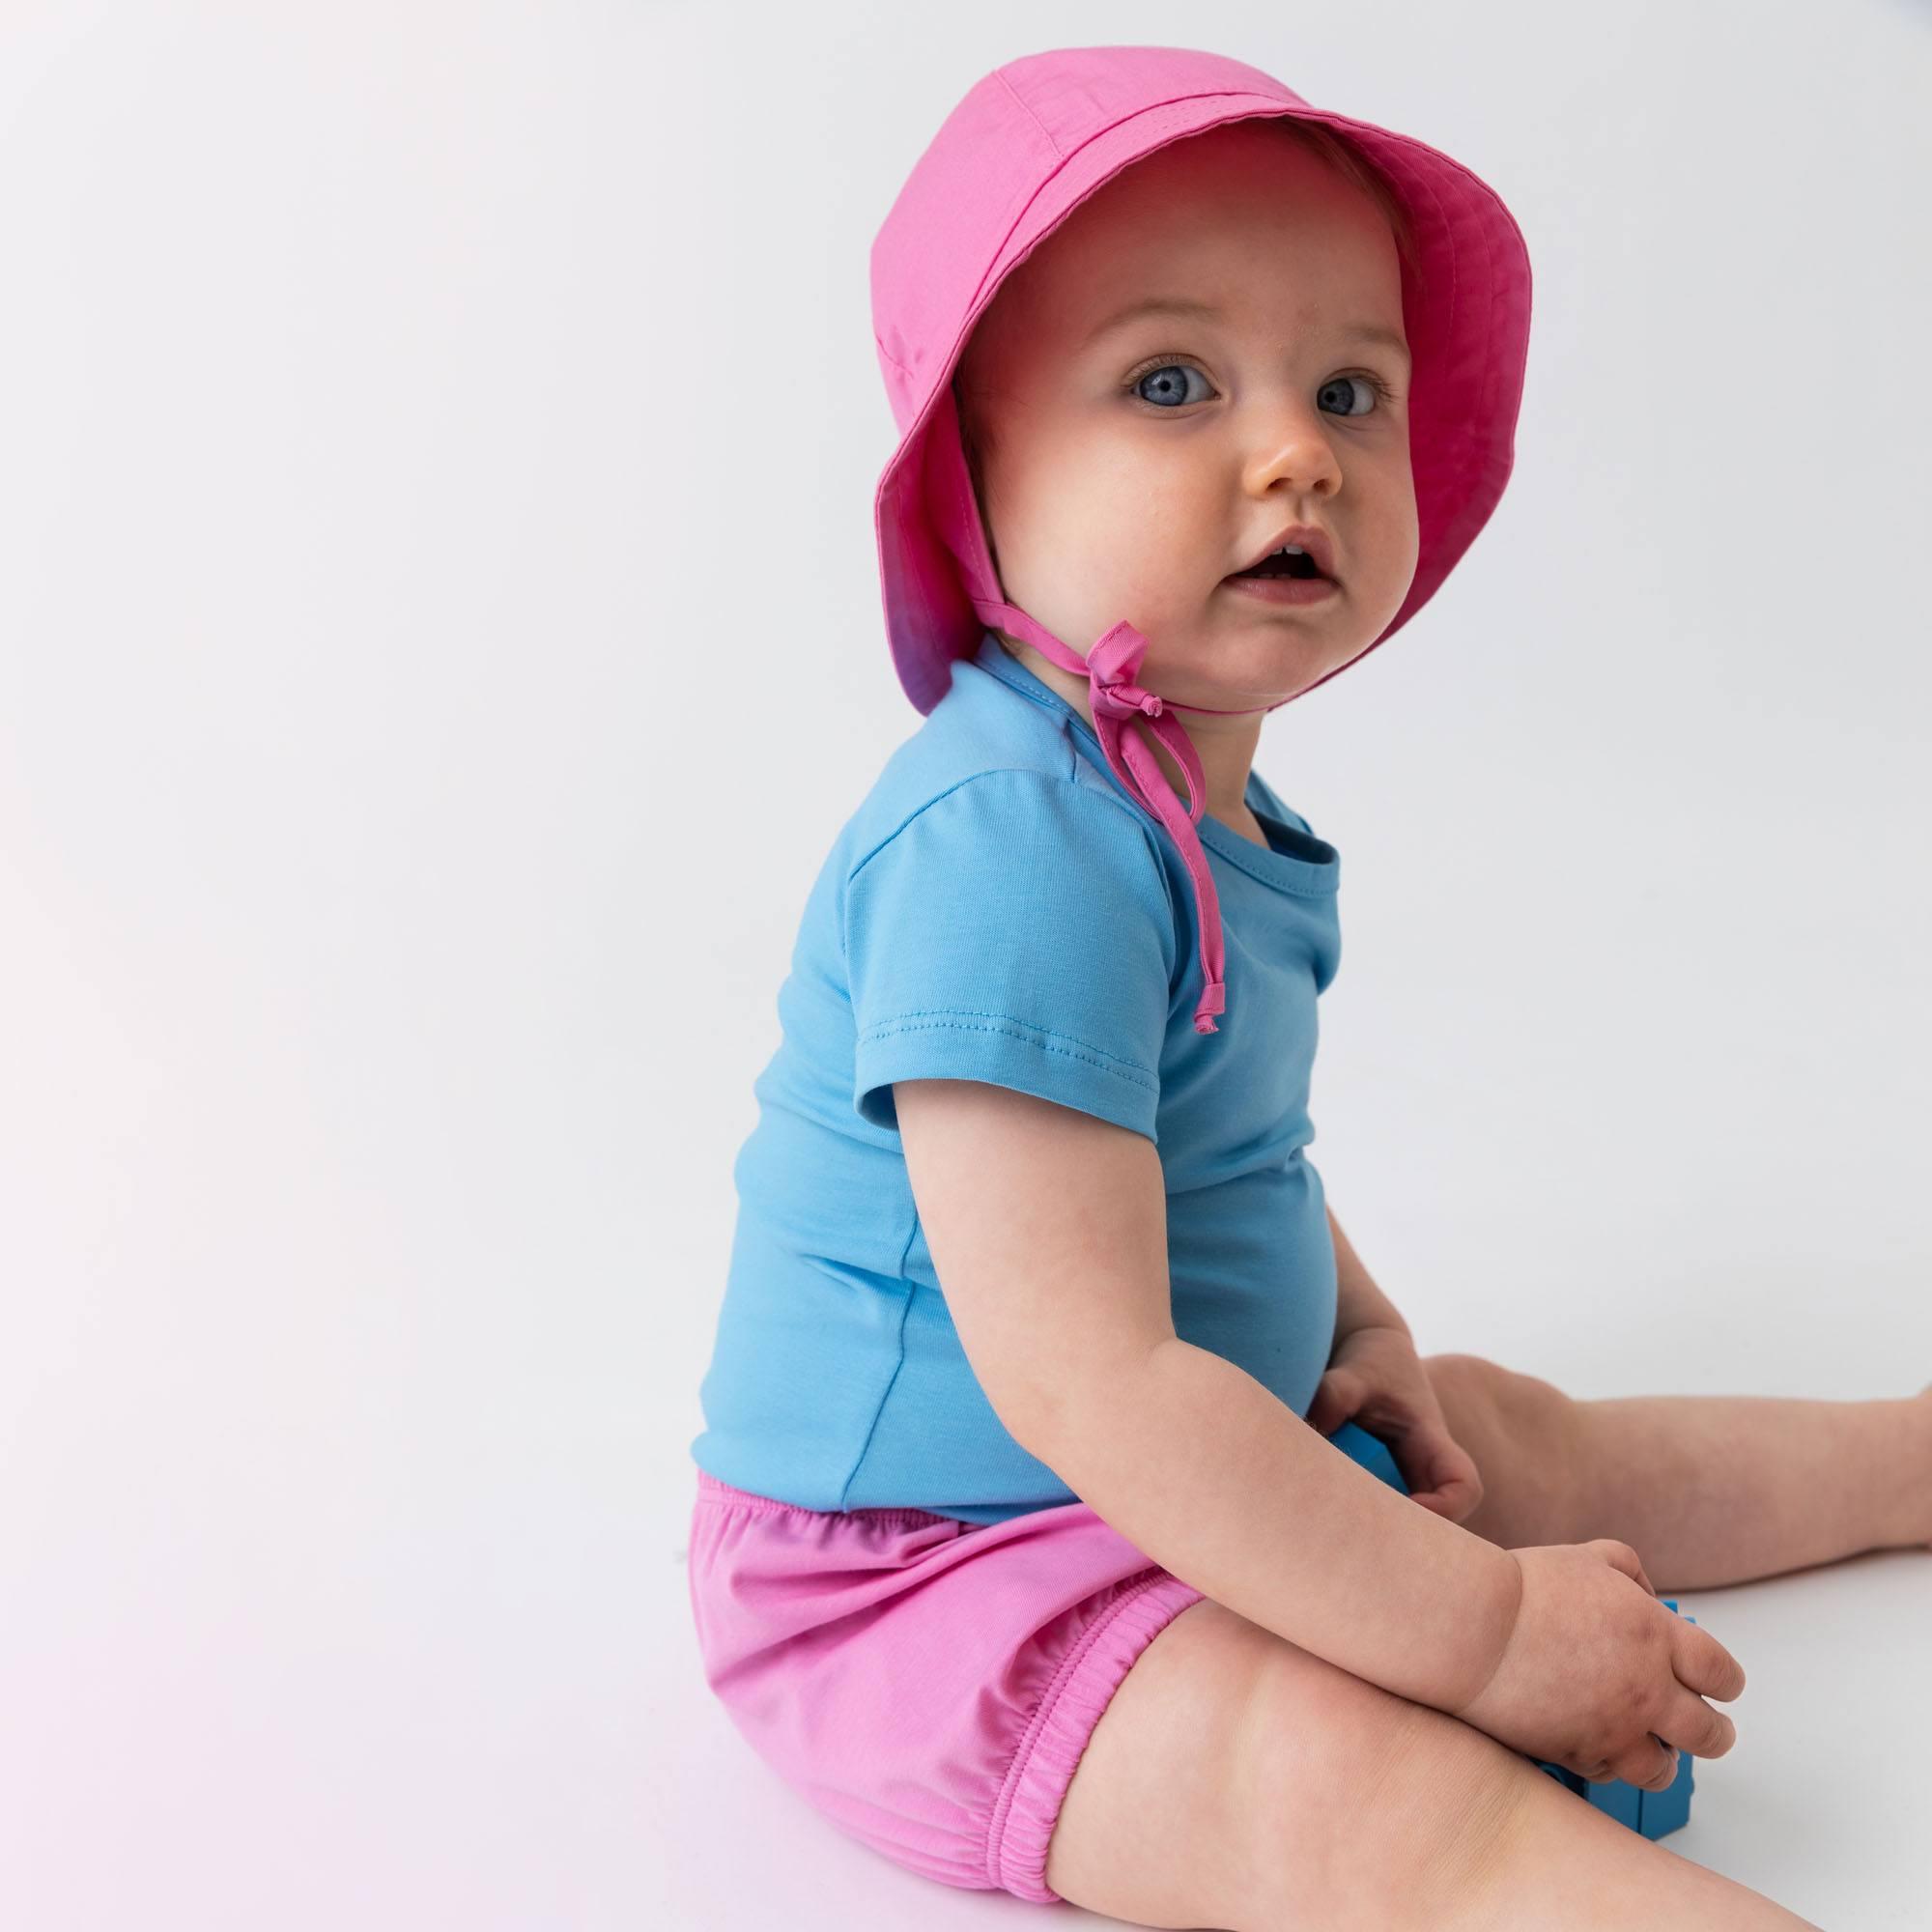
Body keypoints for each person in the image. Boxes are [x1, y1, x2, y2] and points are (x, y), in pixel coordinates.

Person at [685, 45, 1927, 1930]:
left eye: (1350, 388)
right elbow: (1082, 1372)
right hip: (940, 1573)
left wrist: (1369, 1333)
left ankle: (1897, 1458)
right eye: (1171, 382)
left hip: (1190, 1442)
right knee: (1332, 1793)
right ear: (970, 466)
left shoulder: (1191, 801)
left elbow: (1217, 1148)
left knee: (1514, 1432)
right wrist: (1483, 1627)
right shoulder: (1005, 839)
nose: (1299, 452)